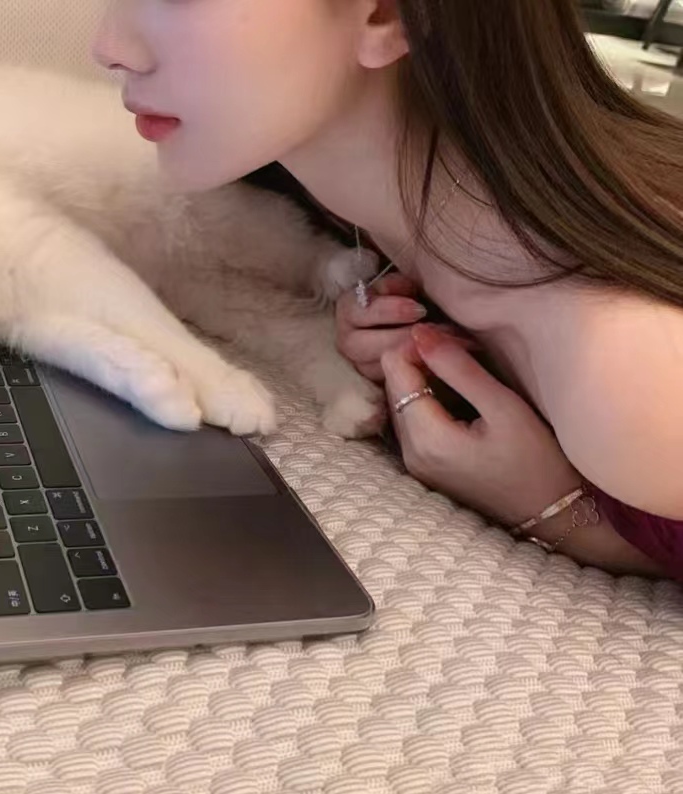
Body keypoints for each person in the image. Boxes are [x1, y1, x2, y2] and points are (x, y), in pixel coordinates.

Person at [92, 0, 683, 578]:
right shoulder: (351, 202)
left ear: (388, 15)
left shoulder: (626, 371)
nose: (109, 48)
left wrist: (553, 511)